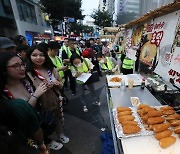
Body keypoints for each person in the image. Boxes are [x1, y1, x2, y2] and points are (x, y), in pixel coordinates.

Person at [26, 44, 69, 150]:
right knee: (45, 124)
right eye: (34, 55)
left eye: (41, 55)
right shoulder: (28, 74)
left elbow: (61, 86)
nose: (38, 58)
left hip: (55, 100)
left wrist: (57, 84)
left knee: (58, 119)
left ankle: (60, 134)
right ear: (29, 57)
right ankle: (49, 140)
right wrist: (39, 90)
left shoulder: (51, 69)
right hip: (42, 105)